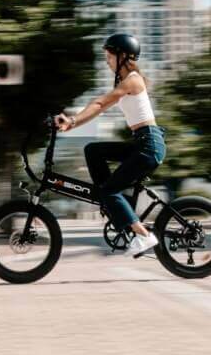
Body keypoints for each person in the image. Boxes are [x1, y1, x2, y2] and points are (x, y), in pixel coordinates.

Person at [55, 33, 166, 257]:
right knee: (93, 150)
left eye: (109, 56)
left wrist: (72, 122)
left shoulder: (133, 80)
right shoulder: (127, 82)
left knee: (109, 189)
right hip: (142, 143)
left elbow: (100, 103)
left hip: (149, 145)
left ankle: (143, 236)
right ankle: (111, 202)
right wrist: (72, 121)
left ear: (123, 56)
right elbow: (99, 106)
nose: (107, 61)